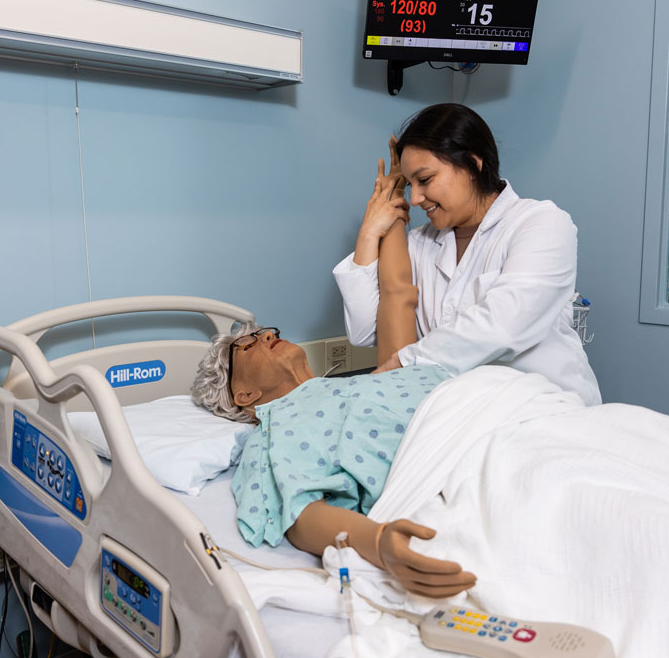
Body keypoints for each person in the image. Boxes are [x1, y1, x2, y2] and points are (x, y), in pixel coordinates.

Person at [190, 276, 476, 598]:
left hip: (500, 410)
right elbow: (301, 512)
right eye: (248, 345)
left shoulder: (359, 383)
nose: (268, 333)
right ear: (243, 394)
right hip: (464, 469)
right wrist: (378, 541)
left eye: (265, 331)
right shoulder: (276, 429)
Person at [333, 103, 601, 405]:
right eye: (410, 186)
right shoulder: (420, 243)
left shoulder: (541, 223)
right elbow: (364, 333)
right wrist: (369, 233)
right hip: (466, 418)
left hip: (546, 410)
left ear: (473, 163)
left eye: (425, 180)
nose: (417, 198)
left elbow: (503, 325)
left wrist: (403, 364)